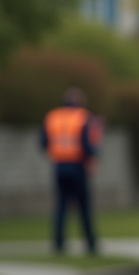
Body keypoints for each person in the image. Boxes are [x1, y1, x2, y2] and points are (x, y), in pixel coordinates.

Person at [42, 87, 100, 255]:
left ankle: (59, 244)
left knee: (61, 206)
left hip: (59, 166)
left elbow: (43, 141)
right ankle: (90, 244)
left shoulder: (52, 116)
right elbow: (88, 145)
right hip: (78, 166)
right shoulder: (83, 117)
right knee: (84, 207)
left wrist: (54, 153)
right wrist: (93, 160)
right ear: (80, 103)